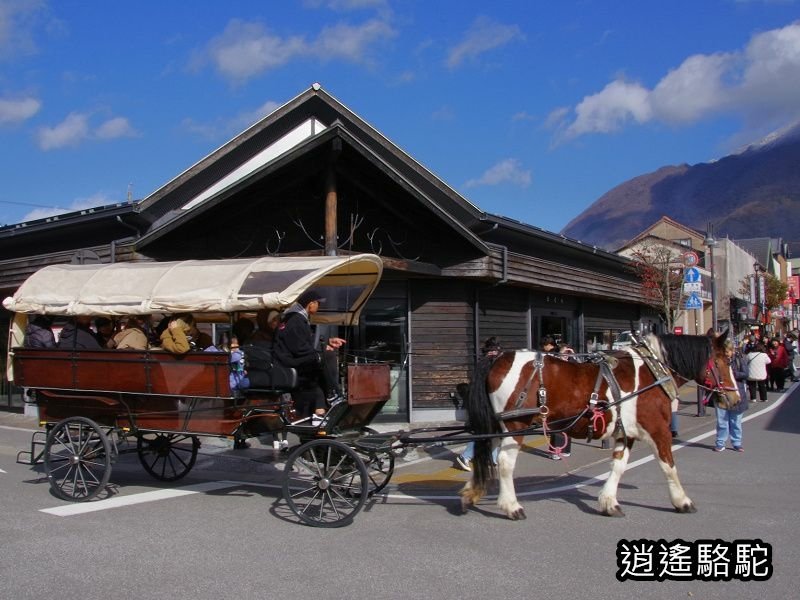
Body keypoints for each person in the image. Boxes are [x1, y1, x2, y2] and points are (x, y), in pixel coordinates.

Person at [273, 290, 345, 421]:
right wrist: (321, 351)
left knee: (324, 359)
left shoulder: (296, 318)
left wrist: (325, 345)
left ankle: (323, 406)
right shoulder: (295, 320)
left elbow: (304, 344)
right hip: (289, 361)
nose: (319, 306)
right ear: (310, 304)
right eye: (317, 303)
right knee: (327, 357)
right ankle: (332, 392)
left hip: (292, 358)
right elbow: (299, 348)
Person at [455, 337, 502, 472]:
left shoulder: (490, 363)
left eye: (496, 350)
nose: (494, 353)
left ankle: (491, 458)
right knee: (485, 432)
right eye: (492, 350)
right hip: (484, 405)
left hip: (489, 404)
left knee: (494, 432)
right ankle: (465, 456)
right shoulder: (485, 364)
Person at [713, 340, 748, 452]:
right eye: (724, 351)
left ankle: (736, 442)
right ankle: (720, 442)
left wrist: (732, 373)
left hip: (737, 393)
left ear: (732, 351)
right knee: (722, 421)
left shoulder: (738, 360)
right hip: (722, 393)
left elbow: (746, 373)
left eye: (728, 351)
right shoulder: (718, 361)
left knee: (735, 421)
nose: (726, 353)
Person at [541, 336, 572, 460]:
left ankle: (559, 450)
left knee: (560, 421)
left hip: (561, 393)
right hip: (563, 392)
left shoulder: (554, 357)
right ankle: (560, 450)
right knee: (562, 421)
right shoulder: (558, 357)